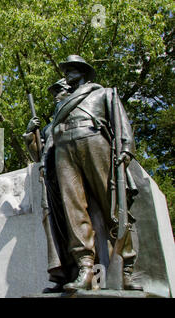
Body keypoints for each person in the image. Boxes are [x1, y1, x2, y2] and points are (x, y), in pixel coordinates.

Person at [49, 55, 141, 291]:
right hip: (63, 149)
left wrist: (127, 149)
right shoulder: (61, 103)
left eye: (72, 70)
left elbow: (121, 122)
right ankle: (85, 268)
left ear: (82, 71)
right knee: (74, 209)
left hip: (94, 141)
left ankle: (128, 269)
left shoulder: (104, 93)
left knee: (112, 205)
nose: (67, 74)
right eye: (66, 71)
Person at [23, 79, 78, 293]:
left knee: (74, 222)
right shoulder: (48, 127)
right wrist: (31, 134)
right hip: (50, 178)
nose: (56, 95)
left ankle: (85, 271)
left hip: (70, 176)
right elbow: (38, 155)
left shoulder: (76, 116)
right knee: (53, 226)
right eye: (54, 92)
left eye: (60, 90)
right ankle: (61, 274)